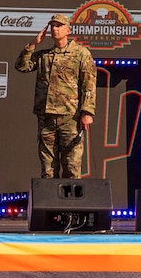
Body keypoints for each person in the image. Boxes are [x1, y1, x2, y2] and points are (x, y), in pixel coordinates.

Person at [14, 13, 96, 179]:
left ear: (68, 30)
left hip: (70, 117)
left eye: (59, 26)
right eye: (52, 26)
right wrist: (33, 44)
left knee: (71, 168)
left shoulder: (80, 54)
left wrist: (87, 112)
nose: (55, 29)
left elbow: (88, 84)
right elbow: (21, 66)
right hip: (46, 118)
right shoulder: (45, 55)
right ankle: (49, 205)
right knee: (48, 170)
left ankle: (71, 205)